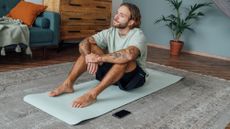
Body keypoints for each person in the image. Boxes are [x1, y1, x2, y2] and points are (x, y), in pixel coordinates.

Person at [48, 2, 147, 108]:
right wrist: (88, 56)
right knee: (90, 48)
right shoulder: (110, 31)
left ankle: (92, 95)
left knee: (124, 60)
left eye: (121, 15)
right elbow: (84, 42)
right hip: (112, 73)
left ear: (131, 22)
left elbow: (129, 55)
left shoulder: (138, 34)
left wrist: (98, 58)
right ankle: (67, 84)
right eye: (117, 13)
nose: (116, 17)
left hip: (133, 78)